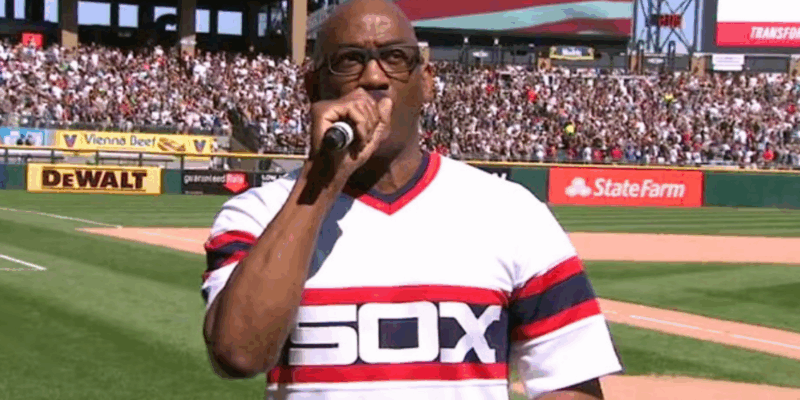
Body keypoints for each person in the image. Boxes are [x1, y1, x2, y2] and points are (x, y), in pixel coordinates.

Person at [200, 0, 623, 399]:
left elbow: (569, 380)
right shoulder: (259, 214)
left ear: (426, 82)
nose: (375, 77)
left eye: (396, 58)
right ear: (314, 87)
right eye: (349, 59)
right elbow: (238, 353)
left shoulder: (513, 212)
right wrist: (320, 181)